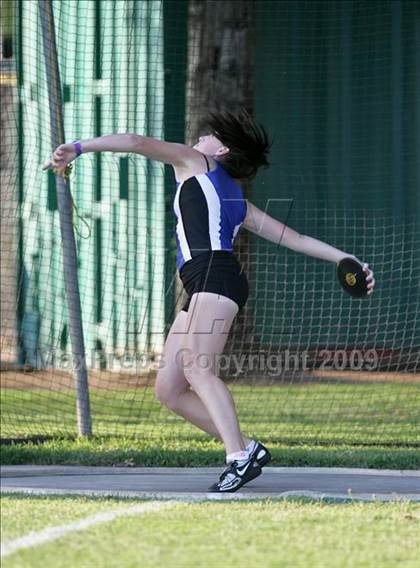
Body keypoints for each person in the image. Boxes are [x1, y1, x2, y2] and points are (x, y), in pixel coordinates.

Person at [43, 109, 375, 492]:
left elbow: (135, 142)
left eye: (209, 136)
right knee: (169, 389)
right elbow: (295, 238)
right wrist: (346, 259)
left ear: (222, 150)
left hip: (214, 275)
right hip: (207, 281)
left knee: (199, 369)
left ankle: (238, 456)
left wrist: (80, 147)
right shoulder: (234, 197)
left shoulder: (196, 163)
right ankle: (247, 448)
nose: (201, 138)